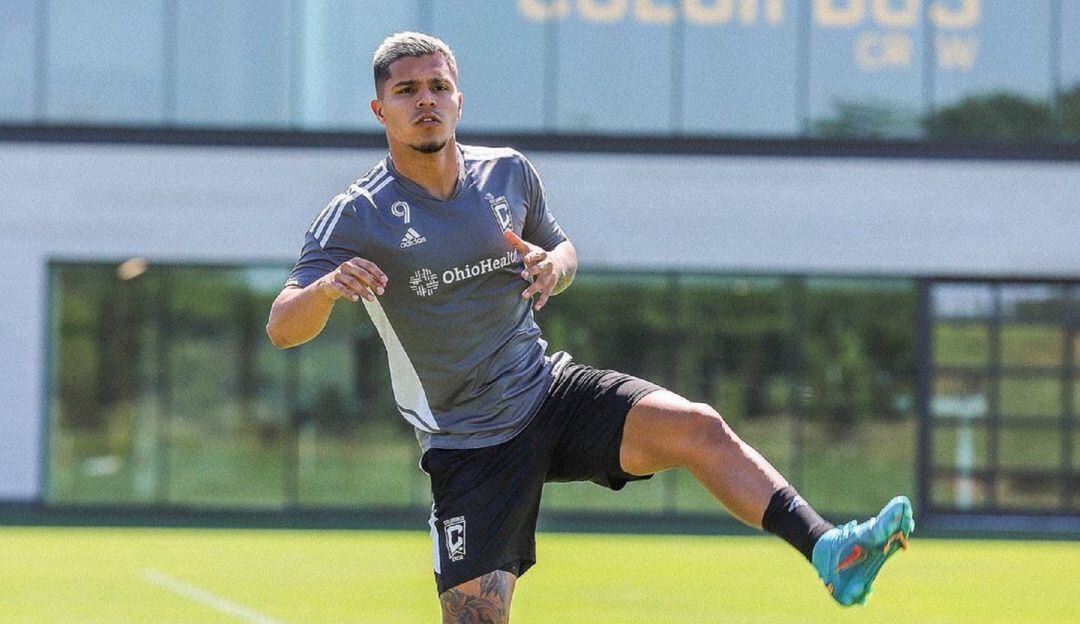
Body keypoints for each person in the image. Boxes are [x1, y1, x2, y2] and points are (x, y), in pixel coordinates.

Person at [266, 31, 913, 623]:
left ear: (459, 98)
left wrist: (556, 266)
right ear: (381, 111)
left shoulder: (508, 174)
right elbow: (282, 327)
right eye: (407, 90)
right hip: (468, 443)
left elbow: (563, 249)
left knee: (699, 427)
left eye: (438, 86)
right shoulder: (357, 215)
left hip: (550, 392)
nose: (425, 100)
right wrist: (325, 290)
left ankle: (832, 551)